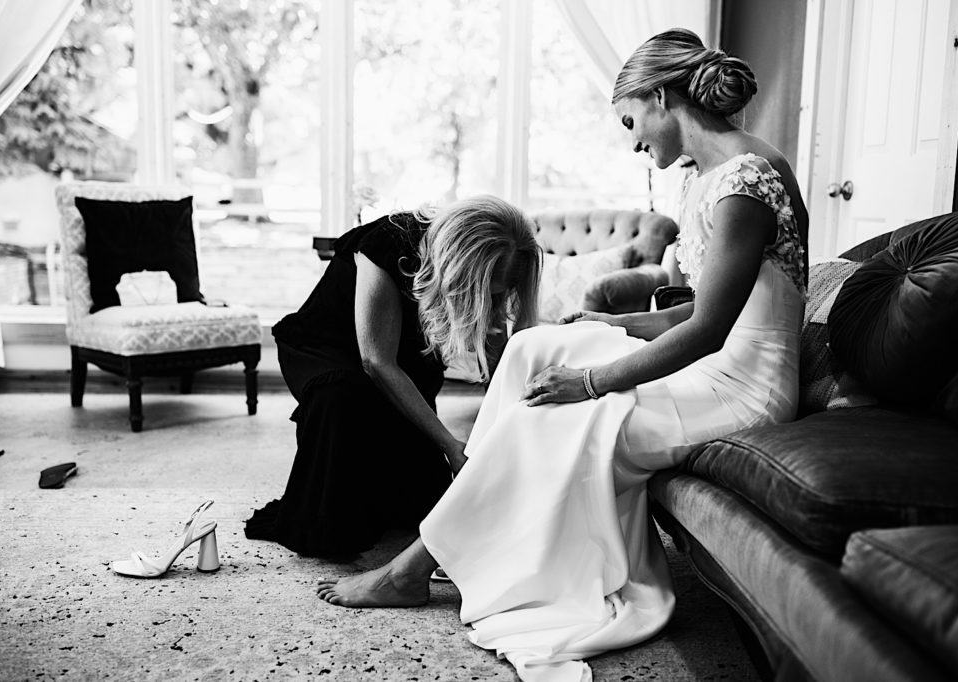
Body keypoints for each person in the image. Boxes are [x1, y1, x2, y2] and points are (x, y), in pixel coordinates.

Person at [316, 27, 809, 682]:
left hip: (743, 386)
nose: (633, 139)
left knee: (554, 408)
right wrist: (618, 320)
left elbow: (712, 330)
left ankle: (415, 565)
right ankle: (455, 543)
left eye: (631, 119)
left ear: (660, 97)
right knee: (531, 346)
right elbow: (703, 306)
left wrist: (593, 380)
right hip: (716, 363)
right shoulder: (719, 175)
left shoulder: (744, 182)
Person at [245, 195, 541, 559]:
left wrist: (501, 429)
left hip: (407, 355)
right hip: (329, 349)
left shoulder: (505, 261)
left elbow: (498, 346)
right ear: (455, 266)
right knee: (343, 399)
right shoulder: (388, 242)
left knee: (421, 503)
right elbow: (376, 361)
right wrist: (450, 445)